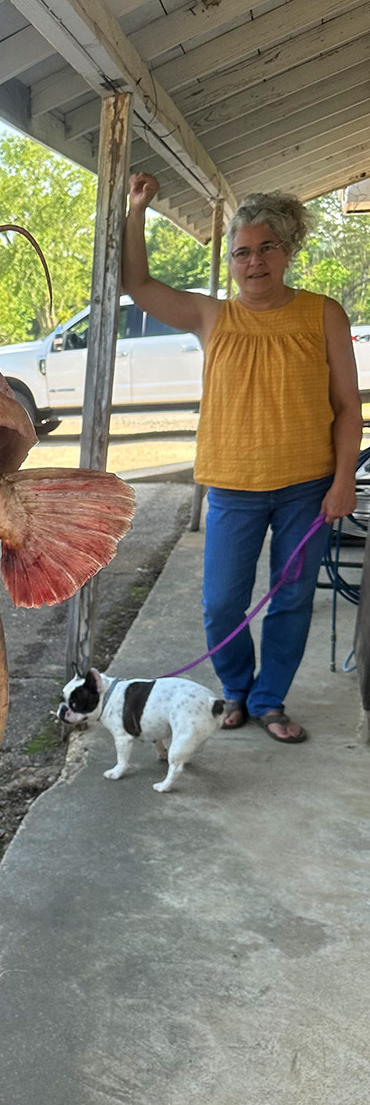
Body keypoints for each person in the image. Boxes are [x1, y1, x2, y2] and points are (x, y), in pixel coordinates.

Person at [122, 173, 363, 742]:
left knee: (292, 596)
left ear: (287, 250)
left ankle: (268, 699)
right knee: (223, 602)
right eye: (241, 253)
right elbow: (138, 283)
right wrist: (137, 211)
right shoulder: (212, 317)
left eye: (266, 249)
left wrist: (344, 479)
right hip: (232, 486)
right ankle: (235, 687)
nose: (254, 262)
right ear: (231, 261)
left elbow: (348, 407)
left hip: (309, 486)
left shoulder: (323, 314)